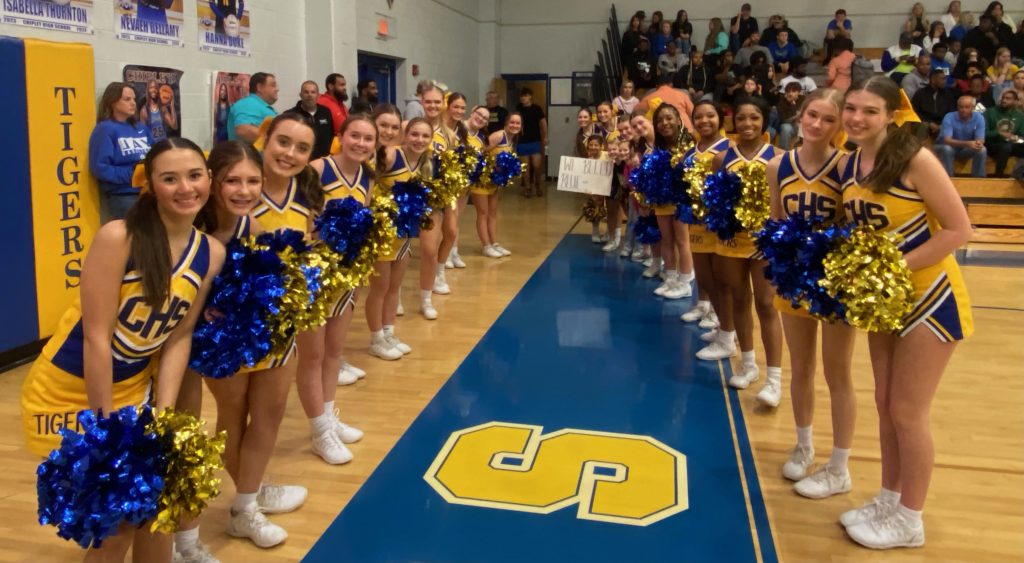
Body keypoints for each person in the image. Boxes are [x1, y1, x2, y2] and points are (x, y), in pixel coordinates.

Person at [21, 137, 224, 562]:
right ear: (150, 184)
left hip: (133, 387)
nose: (185, 188)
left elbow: (179, 337)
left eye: (194, 175)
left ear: (209, 178)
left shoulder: (211, 252)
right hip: (68, 390)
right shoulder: (119, 237)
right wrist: (105, 426)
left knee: (152, 507)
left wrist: (163, 416)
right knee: (115, 527)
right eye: (170, 178)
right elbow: (96, 337)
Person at [839, 75, 973, 550]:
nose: (857, 118)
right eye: (851, 108)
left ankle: (911, 520)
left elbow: (959, 230)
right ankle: (889, 500)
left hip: (930, 298)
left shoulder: (916, 160)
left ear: (892, 115)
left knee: (908, 411)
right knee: (885, 404)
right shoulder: (851, 162)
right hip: (884, 301)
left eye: (870, 110)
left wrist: (891, 267)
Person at [190, 139, 308, 553]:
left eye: (252, 181)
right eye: (232, 181)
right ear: (212, 182)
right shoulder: (193, 231)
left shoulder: (251, 225)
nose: (244, 191)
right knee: (233, 415)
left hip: (269, 336)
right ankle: (250, 496)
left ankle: (245, 505)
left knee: (269, 415)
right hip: (221, 344)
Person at [765, 88, 856, 497]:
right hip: (795, 278)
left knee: (838, 373)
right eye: (812, 115)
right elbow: (776, 221)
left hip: (835, 282)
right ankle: (803, 446)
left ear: (840, 125)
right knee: (800, 367)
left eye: (828, 119)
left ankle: (839, 465)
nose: (817, 124)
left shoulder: (848, 167)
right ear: (800, 115)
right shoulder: (778, 166)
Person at [300, 114, 376, 464]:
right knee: (312, 356)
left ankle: (328, 417)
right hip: (315, 273)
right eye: (355, 136)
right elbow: (301, 222)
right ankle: (319, 432)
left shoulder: (367, 176)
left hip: (346, 273)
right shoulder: (318, 169)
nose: (361, 143)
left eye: (368, 139)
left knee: (334, 351)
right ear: (340, 136)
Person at [706, 97, 784, 408]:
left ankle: (774, 379)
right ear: (733, 122)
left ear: (764, 121)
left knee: (766, 304)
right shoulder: (721, 158)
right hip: (732, 242)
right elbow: (715, 200)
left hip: (763, 243)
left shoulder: (778, 157)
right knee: (739, 299)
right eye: (741, 118)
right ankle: (748, 365)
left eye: (754, 117)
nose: (748, 124)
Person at [367, 110, 431, 360]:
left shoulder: (425, 163)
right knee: (380, 288)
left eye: (425, 136)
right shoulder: (392, 155)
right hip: (383, 234)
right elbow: (368, 187)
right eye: (414, 134)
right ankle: (376, 339)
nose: (419, 140)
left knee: (394, 287)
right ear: (405, 135)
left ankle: (389, 332)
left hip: (404, 234)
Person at [678, 100, 730, 333]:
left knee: (720, 276)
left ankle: (722, 320)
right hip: (697, 221)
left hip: (718, 223)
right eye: (698, 117)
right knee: (703, 273)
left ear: (720, 118)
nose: (704, 121)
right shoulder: (691, 152)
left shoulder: (729, 149)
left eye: (710, 115)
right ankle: (704, 305)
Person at [89, 81, 153, 223]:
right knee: (132, 233)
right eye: (127, 99)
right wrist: (132, 175)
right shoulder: (105, 129)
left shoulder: (140, 128)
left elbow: (155, 153)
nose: (133, 103)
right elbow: (100, 168)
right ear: (112, 102)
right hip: (124, 194)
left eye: (134, 99)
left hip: (149, 190)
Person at [649, 103, 695, 301]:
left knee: (682, 240)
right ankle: (670, 278)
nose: (664, 123)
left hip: (681, 199)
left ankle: (685, 282)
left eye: (669, 118)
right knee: (666, 240)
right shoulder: (658, 147)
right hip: (662, 199)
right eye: (659, 120)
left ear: (678, 120)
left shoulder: (689, 143)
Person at [416, 84, 446, 320]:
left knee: (429, 250)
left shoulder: (449, 134)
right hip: (406, 196)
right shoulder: (409, 127)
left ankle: (426, 299)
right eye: (429, 101)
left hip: (433, 199)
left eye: (437, 101)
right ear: (421, 101)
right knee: (398, 254)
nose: (433, 105)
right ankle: (394, 298)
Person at [474, 111, 522, 258]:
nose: (515, 125)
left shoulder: (512, 139)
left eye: (518, 123)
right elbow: (479, 152)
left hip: (494, 182)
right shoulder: (498, 136)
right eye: (512, 122)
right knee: (483, 213)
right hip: (482, 180)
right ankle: (486, 246)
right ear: (506, 123)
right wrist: (490, 167)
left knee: (493, 213)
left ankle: (494, 243)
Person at [436, 92, 470, 273]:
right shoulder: (439, 128)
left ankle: (453, 252)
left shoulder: (462, 129)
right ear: (447, 107)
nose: (459, 111)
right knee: (444, 220)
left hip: (459, 181)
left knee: (455, 219)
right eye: (456, 106)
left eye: (462, 108)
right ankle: (443, 256)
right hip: (441, 182)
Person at [934, 95, 988, 177]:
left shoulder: (979, 118)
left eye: (967, 107)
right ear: (957, 107)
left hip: (965, 148)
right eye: (961, 107)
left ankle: (978, 179)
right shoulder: (949, 117)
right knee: (947, 149)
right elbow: (947, 140)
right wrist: (968, 144)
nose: (963, 110)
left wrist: (978, 143)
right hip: (944, 146)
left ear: (973, 108)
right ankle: (948, 178)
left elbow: (980, 139)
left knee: (982, 150)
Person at [228, 72, 279, 142]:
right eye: (273, 85)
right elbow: (243, 130)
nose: (277, 89)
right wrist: (278, 140)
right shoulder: (248, 104)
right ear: (259, 87)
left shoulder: (257, 105)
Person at [516, 87, 548, 198]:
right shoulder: (518, 108)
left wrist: (545, 136)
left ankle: (538, 184)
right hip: (522, 141)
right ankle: (528, 187)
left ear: (530, 96)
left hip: (535, 140)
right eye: (521, 96)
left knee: (537, 165)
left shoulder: (537, 108)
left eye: (525, 96)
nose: (523, 98)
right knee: (525, 167)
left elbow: (543, 123)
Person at [984, 88, 1024, 176]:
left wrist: (1016, 138)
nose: (1004, 100)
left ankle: (1019, 174)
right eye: (1003, 98)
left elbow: (1022, 134)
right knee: (1006, 147)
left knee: (1009, 146)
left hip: (1012, 145)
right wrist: (999, 133)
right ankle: (998, 176)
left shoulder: (1020, 116)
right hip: (992, 145)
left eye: (1008, 98)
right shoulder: (990, 112)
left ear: (1015, 101)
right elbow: (984, 134)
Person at [912, 69, 958, 140]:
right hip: (925, 123)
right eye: (942, 79)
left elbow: (952, 112)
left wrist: (941, 125)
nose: (945, 81)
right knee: (924, 126)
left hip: (943, 124)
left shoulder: (947, 94)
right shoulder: (920, 94)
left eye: (945, 78)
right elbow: (914, 112)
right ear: (933, 79)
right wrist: (929, 123)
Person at [295, 81, 335, 159]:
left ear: (318, 95)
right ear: (300, 95)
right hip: (301, 160)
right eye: (306, 92)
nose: (309, 95)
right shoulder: (292, 115)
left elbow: (331, 135)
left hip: (324, 160)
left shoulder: (326, 112)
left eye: (313, 92)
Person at [776, 82, 804, 149]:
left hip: (801, 125)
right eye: (788, 92)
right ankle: (783, 152)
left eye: (793, 91)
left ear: (799, 92)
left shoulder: (803, 99)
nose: (790, 94)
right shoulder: (782, 102)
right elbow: (784, 120)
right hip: (789, 125)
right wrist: (792, 105)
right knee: (785, 127)